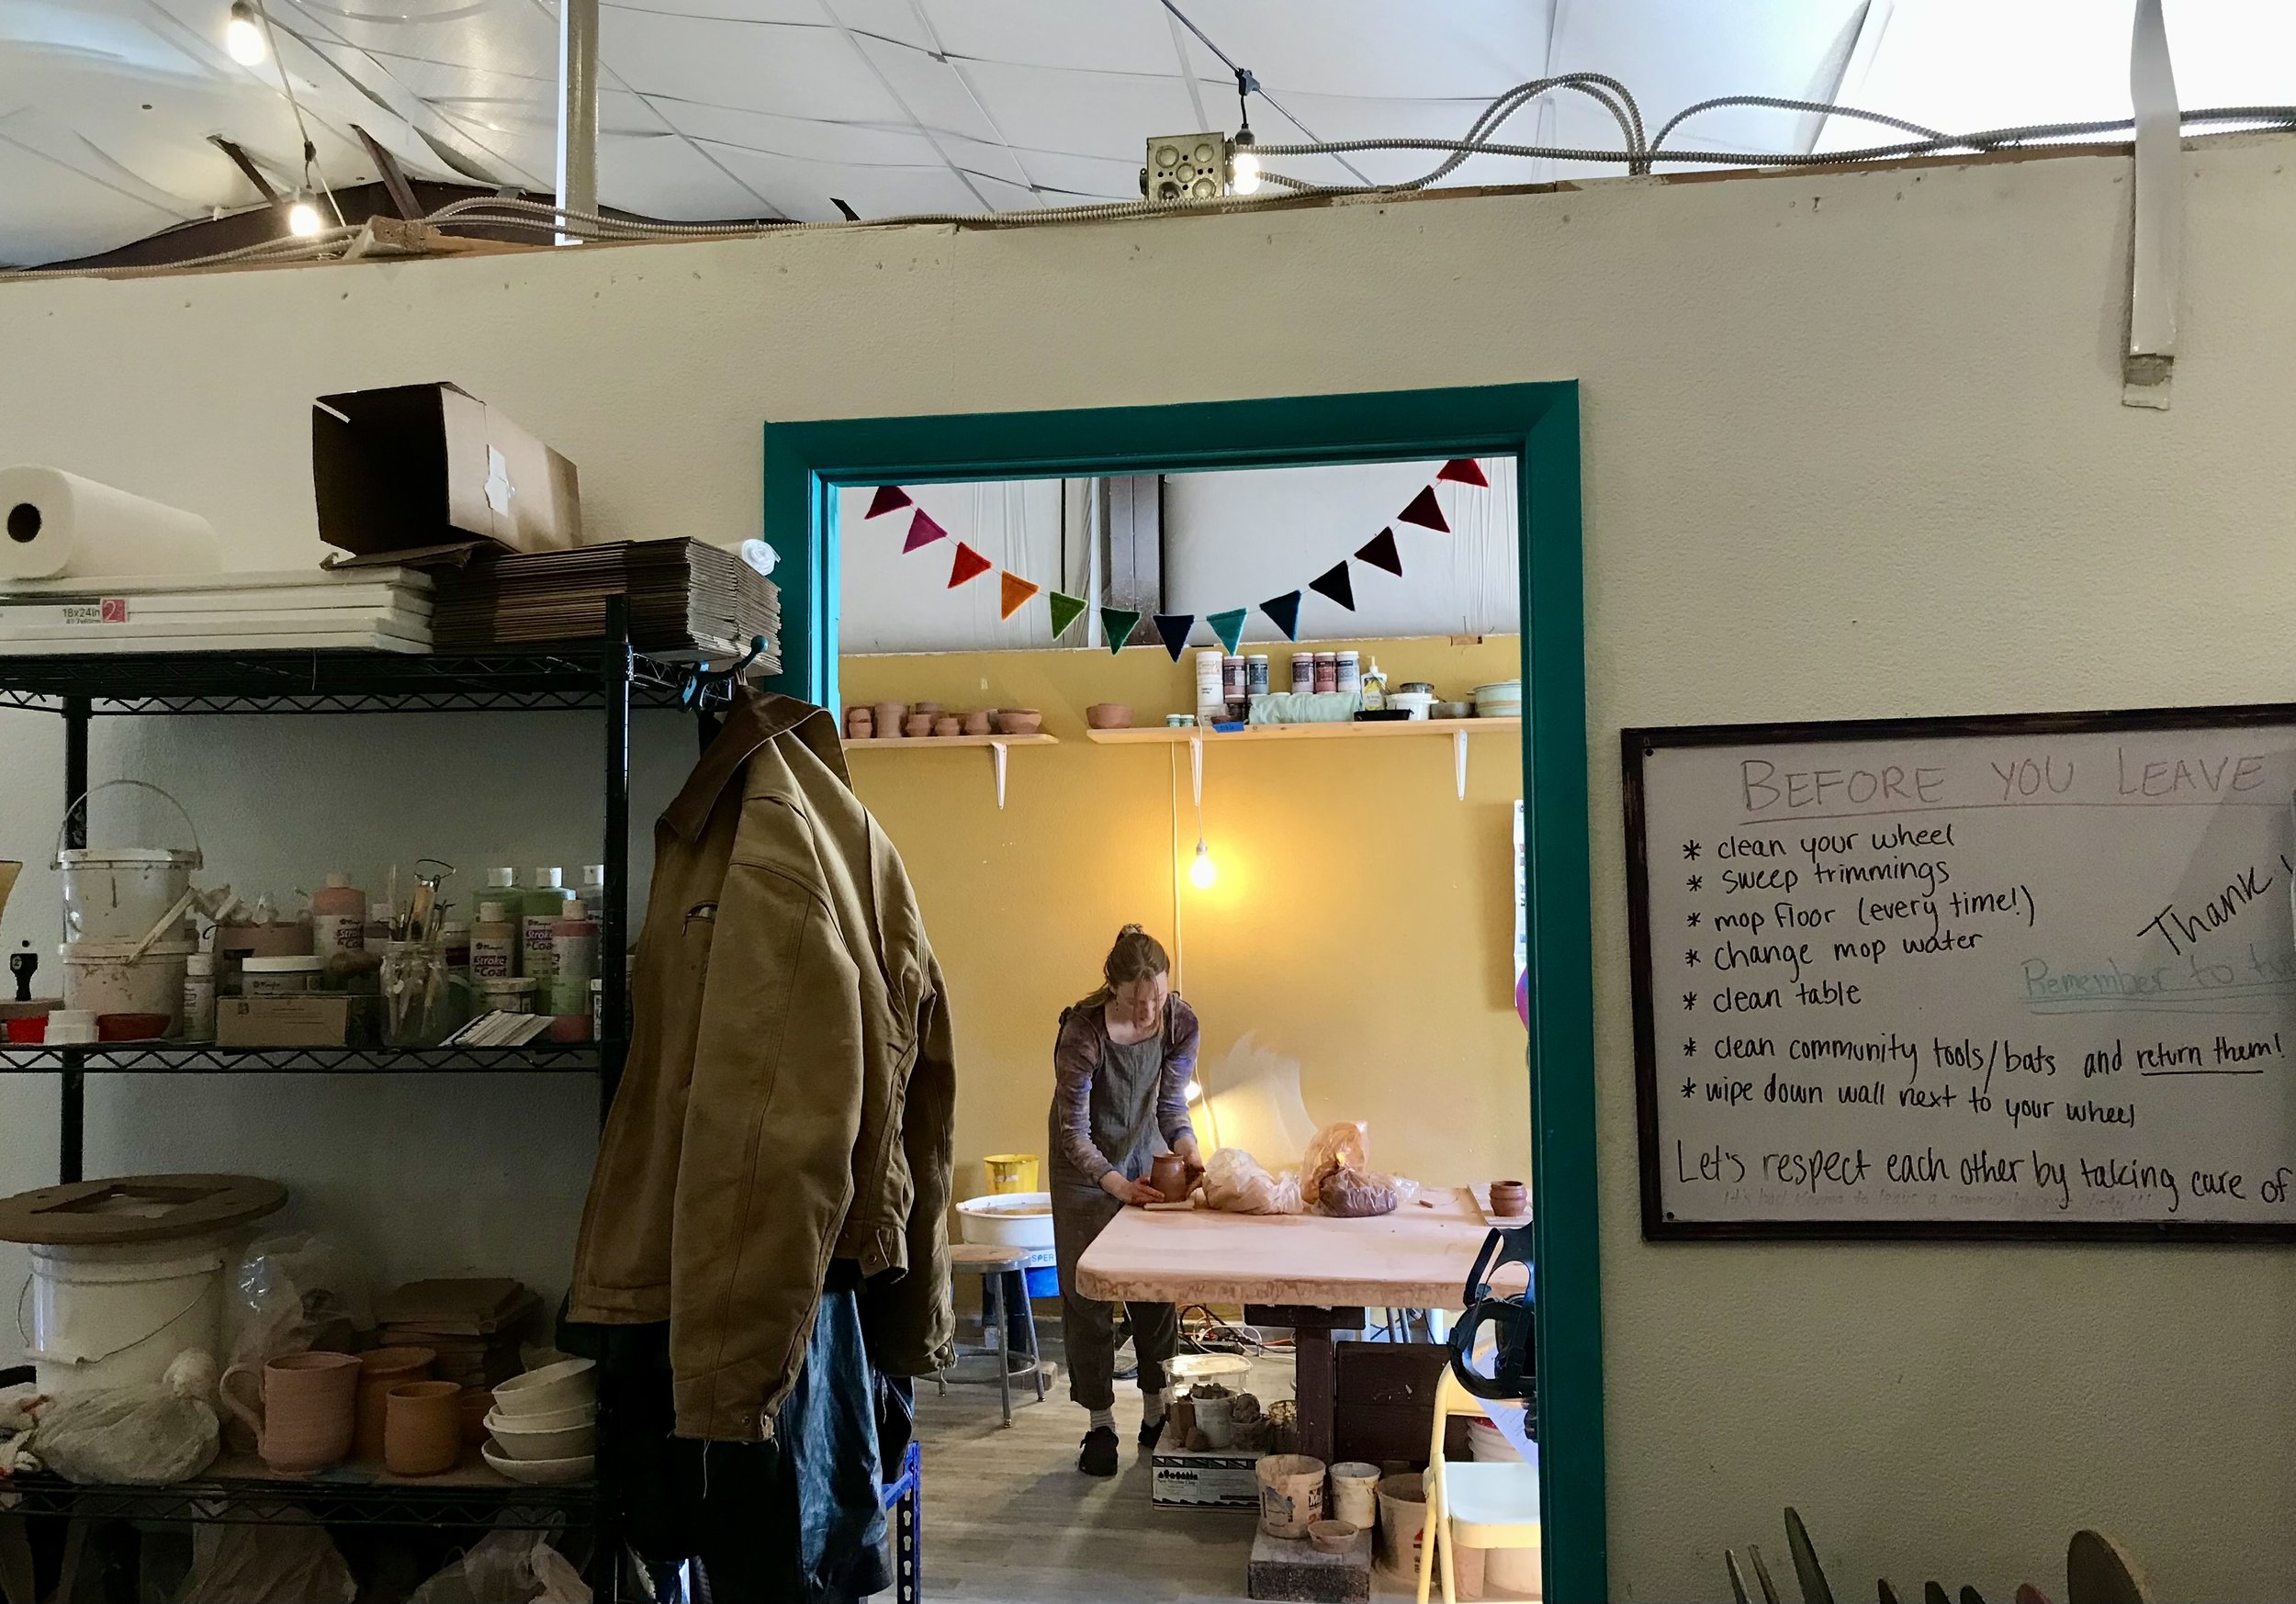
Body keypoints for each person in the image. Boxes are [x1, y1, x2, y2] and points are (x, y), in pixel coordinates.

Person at [1048, 924, 1201, 1476]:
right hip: (1085, 1175)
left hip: (1146, 1163)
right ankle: (1100, 1426)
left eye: (1157, 997)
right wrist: (1115, 1184)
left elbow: (1171, 1106)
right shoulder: (1083, 1032)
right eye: (1137, 1001)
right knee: (1088, 1298)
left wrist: (1189, 1152)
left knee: (1154, 1292)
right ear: (1112, 988)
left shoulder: (1180, 1022)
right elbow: (1074, 1133)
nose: (1148, 1012)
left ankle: (1157, 1412)